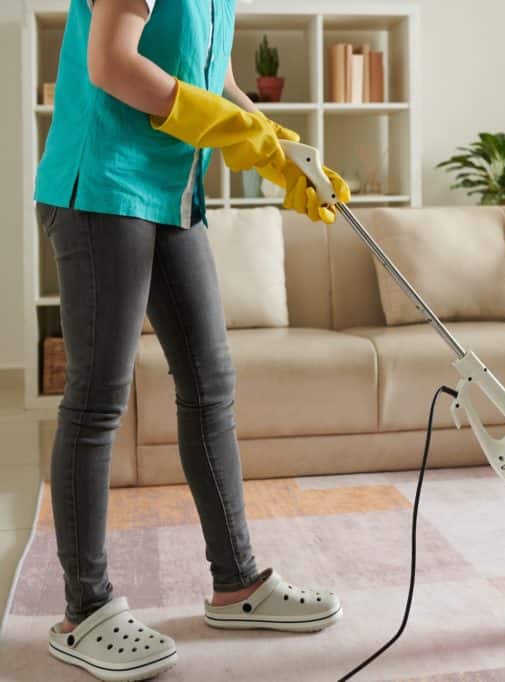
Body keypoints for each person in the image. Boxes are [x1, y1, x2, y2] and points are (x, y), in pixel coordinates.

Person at [35, 1, 348, 679]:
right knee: (97, 400)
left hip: (172, 191)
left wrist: (278, 145)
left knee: (210, 384)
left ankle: (236, 584)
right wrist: (231, 125)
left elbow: (218, 80)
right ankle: (83, 609)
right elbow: (111, 64)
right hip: (104, 184)